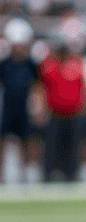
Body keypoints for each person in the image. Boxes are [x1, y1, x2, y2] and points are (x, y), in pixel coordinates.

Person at [37, 21, 86, 181]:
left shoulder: (77, 63)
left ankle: (71, 174)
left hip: (74, 113)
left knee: (72, 146)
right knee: (52, 146)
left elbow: (83, 87)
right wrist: (40, 108)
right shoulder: (49, 64)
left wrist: (85, 105)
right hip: (55, 113)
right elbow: (41, 88)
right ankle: (49, 174)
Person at [0, 17, 41, 184]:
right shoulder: (4, 64)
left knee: (28, 142)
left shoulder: (31, 64)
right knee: (3, 142)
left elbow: (37, 87)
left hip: (25, 108)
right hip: (7, 109)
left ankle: (27, 175)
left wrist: (37, 107)